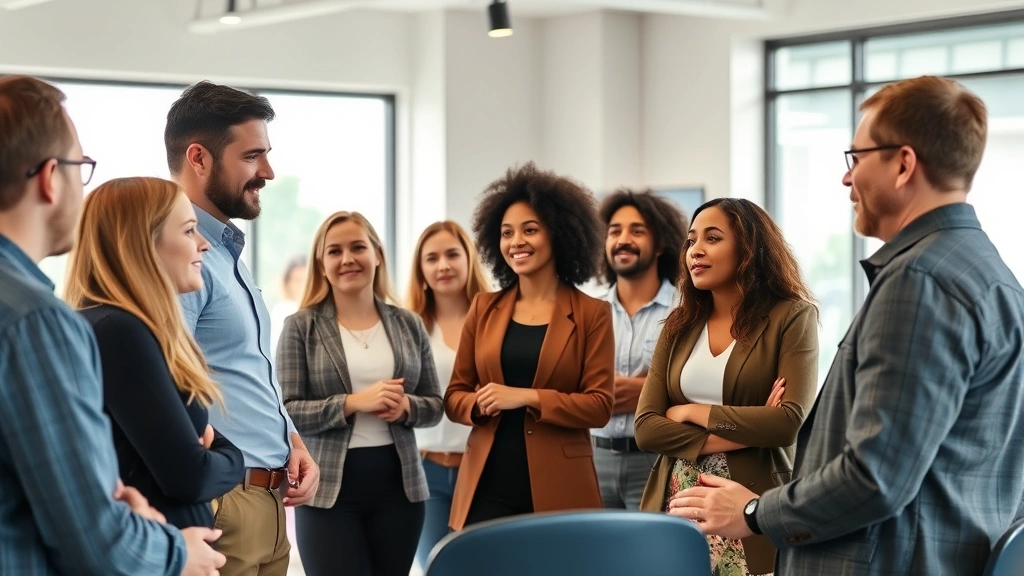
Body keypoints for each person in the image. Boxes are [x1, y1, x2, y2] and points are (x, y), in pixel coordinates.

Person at [669, 76, 1024, 575]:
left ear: (903, 164)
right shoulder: (990, 273)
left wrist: (752, 512)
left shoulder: (919, 283)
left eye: (855, 159)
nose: (845, 179)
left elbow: (876, 477)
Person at [0, 75, 223, 575]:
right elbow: (97, 539)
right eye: (81, 169)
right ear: (49, 178)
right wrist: (172, 547)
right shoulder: (36, 322)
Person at [165, 80, 320, 576]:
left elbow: (242, 368)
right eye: (253, 156)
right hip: (225, 504)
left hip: (269, 500)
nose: (268, 172)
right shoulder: (181, 255)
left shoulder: (226, 250)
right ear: (199, 158)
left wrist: (290, 438)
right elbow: (173, 385)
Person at [634, 197, 818, 575]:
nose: (695, 250)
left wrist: (690, 412)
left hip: (751, 501)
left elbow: (787, 423)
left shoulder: (792, 316)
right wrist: (749, 429)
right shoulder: (678, 325)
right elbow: (646, 427)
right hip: (678, 499)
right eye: (690, 241)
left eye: (712, 238)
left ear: (748, 249)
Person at [65, 176, 245, 529]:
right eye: (190, 230)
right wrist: (233, 458)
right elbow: (190, 476)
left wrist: (211, 453)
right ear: (143, 244)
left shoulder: (116, 326)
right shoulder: (118, 331)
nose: (204, 245)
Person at [444, 162, 614, 530]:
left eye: (530, 230)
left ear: (560, 234)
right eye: (506, 233)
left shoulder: (592, 313)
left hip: (562, 485)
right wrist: (478, 403)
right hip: (486, 482)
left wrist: (527, 397)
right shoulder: (484, 308)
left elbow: (600, 406)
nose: (516, 242)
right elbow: (455, 395)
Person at [277, 211, 443, 576]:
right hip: (328, 490)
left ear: (377, 254)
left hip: (400, 489)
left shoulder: (408, 323)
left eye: (358, 247)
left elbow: (434, 405)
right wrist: (353, 403)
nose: (347, 258)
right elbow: (286, 411)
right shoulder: (300, 327)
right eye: (334, 251)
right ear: (322, 264)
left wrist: (406, 407)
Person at [592, 189, 686, 511]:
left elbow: (697, 384)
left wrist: (646, 390)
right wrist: (652, 387)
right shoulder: (589, 311)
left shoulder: (685, 309)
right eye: (615, 231)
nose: (623, 239)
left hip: (654, 460)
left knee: (646, 559)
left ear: (660, 244)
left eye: (637, 230)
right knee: (594, 560)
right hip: (594, 459)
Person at [405, 220, 491, 566]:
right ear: (421, 270)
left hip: (486, 468)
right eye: (432, 258)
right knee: (438, 567)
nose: (443, 265)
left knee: (491, 567)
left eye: (452, 254)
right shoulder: (410, 325)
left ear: (469, 260)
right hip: (428, 470)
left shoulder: (495, 321)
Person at [270, 255, 307, 355]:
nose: (302, 285)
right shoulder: (283, 310)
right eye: (298, 280)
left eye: (306, 280)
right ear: (287, 282)